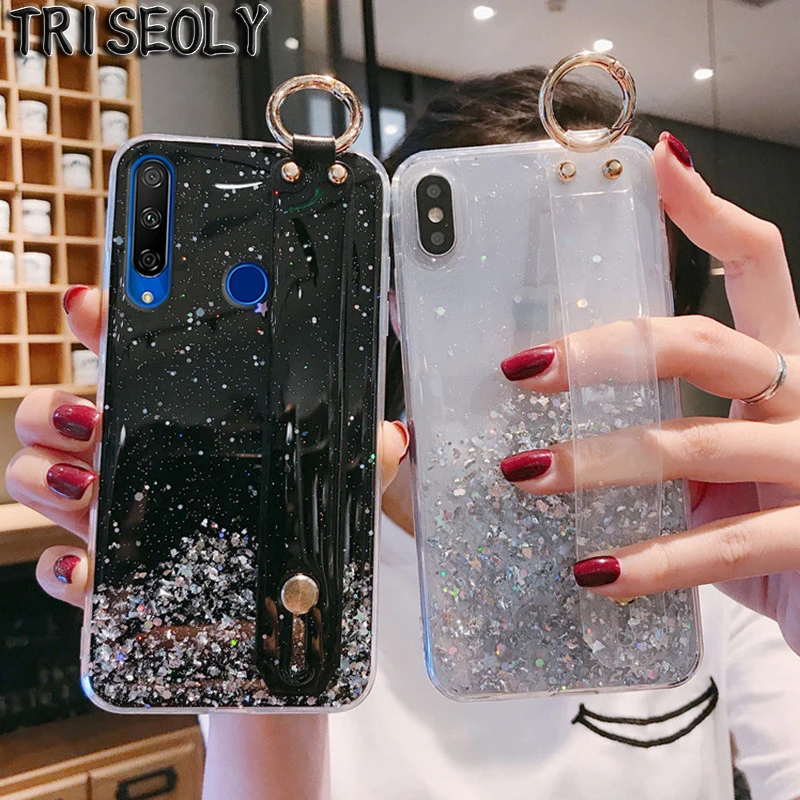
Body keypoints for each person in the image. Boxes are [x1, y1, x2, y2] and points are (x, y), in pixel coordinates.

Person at [7, 67, 800, 799]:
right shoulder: (305, 567)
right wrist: (265, 694)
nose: (573, 349)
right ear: (391, 303)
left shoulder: (727, 546)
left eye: (614, 295)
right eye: (505, 297)